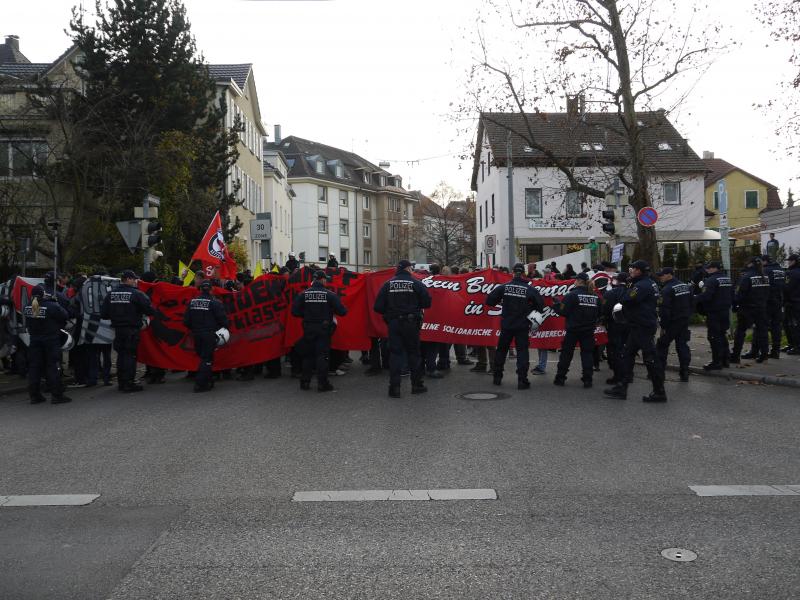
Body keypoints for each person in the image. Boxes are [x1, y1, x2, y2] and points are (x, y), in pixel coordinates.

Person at [604, 260, 666, 402]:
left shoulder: (642, 285)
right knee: (628, 355)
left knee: (650, 358)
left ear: (639, 271)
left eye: (633, 268)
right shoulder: (648, 282)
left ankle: (659, 391)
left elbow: (626, 299)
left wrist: (626, 286)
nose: (630, 270)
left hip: (642, 325)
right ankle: (622, 387)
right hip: (639, 324)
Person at [373, 259, 431, 398]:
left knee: (395, 354)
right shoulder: (416, 283)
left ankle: (395, 388)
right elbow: (427, 303)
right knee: (414, 354)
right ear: (408, 269)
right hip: (411, 324)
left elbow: (378, 307)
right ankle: (416, 385)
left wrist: (391, 311)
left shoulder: (387, 284)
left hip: (394, 324)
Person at [485, 262, 544, 389]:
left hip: (507, 325)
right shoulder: (529, 289)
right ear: (523, 273)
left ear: (512, 272)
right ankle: (522, 380)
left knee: (501, 351)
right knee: (522, 352)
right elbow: (540, 306)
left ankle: (497, 377)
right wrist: (528, 308)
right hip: (522, 325)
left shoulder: (504, 287)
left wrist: (502, 301)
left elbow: (489, 301)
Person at [292, 270, 347, 392]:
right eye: (325, 279)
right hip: (324, 329)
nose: (326, 281)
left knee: (308, 356)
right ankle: (323, 384)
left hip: (309, 329)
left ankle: (305, 382)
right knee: (322, 357)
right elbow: (343, 312)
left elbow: (294, 311)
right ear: (322, 280)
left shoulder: (303, 294)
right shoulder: (330, 294)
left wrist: (307, 316)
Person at [100, 270, 155, 393]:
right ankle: (129, 383)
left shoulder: (111, 294)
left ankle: (121, 382)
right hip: (132, 329)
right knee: (130, 356)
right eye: (134, 279)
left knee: (121, 356)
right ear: (128, 279)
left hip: (118, 330)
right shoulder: (137, 294)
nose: (136, 281)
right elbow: (150, 310)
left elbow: (103, 314)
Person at [24, 286, 71, 404]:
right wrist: (54, 302)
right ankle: (57, 395)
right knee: (53, 366)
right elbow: (65, 315)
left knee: (34, 367)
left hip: (34, 340)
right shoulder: (51, 305)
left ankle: (34, 395)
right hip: (51, 340)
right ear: (43, 294)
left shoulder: (27, 306)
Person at [553, 272, 599, 388]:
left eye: (575, 279)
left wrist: (557, 304)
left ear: (579, 281)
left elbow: (563, 311)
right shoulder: (595, 296)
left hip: (573, 330)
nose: (574, 281)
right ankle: (588, 379)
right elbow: (602, 309)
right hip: (589, 330)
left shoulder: (572, 295)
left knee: (566, 354)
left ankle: (560, 378)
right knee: (587, 354)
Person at [183, 280, 228, 393]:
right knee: (207, 359)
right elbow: (223, 320)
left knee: (203, 357)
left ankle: (208, 380)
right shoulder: (215, 302)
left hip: (196, 334)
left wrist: (194, 328)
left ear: (200, 289)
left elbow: (186, 321)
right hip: (209, 334)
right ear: (211, 290)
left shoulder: (191, 302)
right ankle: (200, 383)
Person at [655, 267, 693, 381]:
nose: (660, 277)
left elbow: (664, 310)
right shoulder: (685, 286)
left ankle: (659, 372)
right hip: (684, 320)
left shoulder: (666, 289)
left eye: (662, 275)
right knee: (682, 346)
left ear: (669, 275)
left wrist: (664, 326)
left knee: (662, 345)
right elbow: (692, 302)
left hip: (672, 322)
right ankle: (684, 372)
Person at [694, 261, 733, 370]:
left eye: (708, 268)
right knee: (722, 335)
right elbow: (732, 294)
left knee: (714, 337)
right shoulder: (726, 278)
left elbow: (706, 296)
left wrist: (694, 298)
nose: (706, 270)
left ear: (713, 268)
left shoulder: (711, 280)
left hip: (714, 312)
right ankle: (726, 359)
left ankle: (717, 362)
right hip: (724, 311)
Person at [730, 256, 770, 364]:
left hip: (747, 309)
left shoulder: (747, 276)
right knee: (762, 331)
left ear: (750, 264)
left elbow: (739, 294)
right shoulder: (764, 276)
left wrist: (735, 305)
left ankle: (735, 355)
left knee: (740, 332)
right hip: (761, 308)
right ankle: (764, 355)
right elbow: (767, 292)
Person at [602, 272, 630, 386]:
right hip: (629, 326)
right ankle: (627, 374)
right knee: (627, 350)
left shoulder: (610, 293)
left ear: (617, 281)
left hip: (614, 325)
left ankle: (619, 376)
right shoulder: (631, 292)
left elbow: (604, 309)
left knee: (615, 351)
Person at [759, 254, 786, 359]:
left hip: (768, 302)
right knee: (776, 327)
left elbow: (763, 286)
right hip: (779, 301)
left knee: (763, 327)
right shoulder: (780, 270)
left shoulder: (765, 270)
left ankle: (764, 352)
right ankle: (776, 351)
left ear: (764, 261)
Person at [784, 254, 800, 354]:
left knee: (792, 325)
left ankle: (796, 346)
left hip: (792, 303)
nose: (788, 262)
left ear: (794, 261)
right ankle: (793, 345)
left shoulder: (790, 273)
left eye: (790, 260)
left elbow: (787, 288)